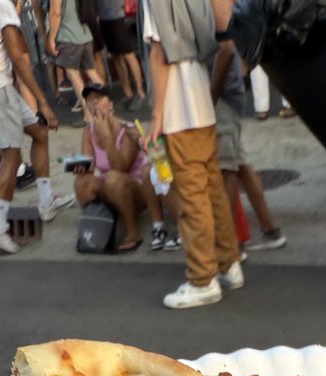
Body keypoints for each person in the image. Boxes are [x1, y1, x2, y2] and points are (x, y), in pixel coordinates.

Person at [142, 0, 243, 309]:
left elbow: (158, 53)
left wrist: (156, 114)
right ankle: (228, 264)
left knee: (192, 197)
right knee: (212, 191)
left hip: (177, 104)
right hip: (199, 92)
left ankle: (202, 278)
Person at [0, 0, 73, 253]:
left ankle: (46, 201)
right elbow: (18, 57)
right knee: (11, 156)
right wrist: (44, 103)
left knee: (39, 131)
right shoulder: (0, 4)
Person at [212, 39, 286, 253]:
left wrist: (210, 96)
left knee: (228, 169)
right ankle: (269, 230)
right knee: (239, 164)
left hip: (221, 97)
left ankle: (231, 245)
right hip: (226, 95)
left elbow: (226, 47)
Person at [73, 79, 162, 250]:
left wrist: (107, 138)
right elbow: (89, 165)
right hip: (110, 186)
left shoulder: (127, 129)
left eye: (98, 99)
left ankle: (132, 232)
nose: (93, 104)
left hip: (136, 188)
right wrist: (79, 167)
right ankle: (98, 225)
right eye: (89, 100)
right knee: (82, 182)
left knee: (113, 177)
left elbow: (121, 165)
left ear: (110, 103)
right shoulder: (88, 131)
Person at [46, 0, 101, 115]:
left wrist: (51, 38)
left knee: (73, 74)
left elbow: (55, 13)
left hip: (68, 35)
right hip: (85, 32)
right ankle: (107, 106)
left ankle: (88, 113)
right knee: (91, 72)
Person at [96, 0, 145, 110]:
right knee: (116, 56)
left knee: (128, 54)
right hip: (104, 18)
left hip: (117, 17)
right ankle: (128, 92)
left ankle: (140, 92)